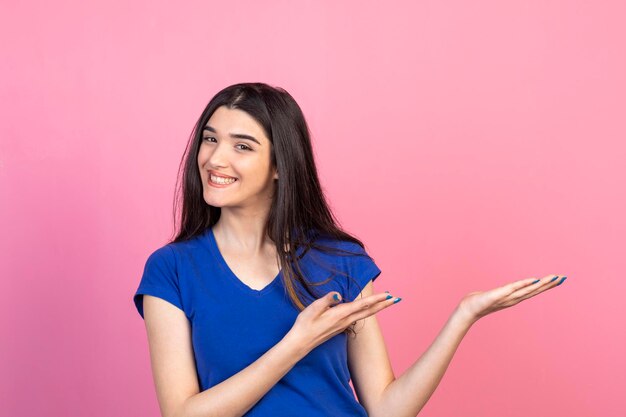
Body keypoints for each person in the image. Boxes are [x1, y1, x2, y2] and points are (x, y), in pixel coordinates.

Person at [132, 82, 568, 417]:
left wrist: (463, 316)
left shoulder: (339, 260)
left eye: (242, 146)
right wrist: (296, 343)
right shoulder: (172, 270)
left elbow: (386, 407)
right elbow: (183, 413)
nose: (214, 158)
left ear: (281, 165)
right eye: (210, 139)